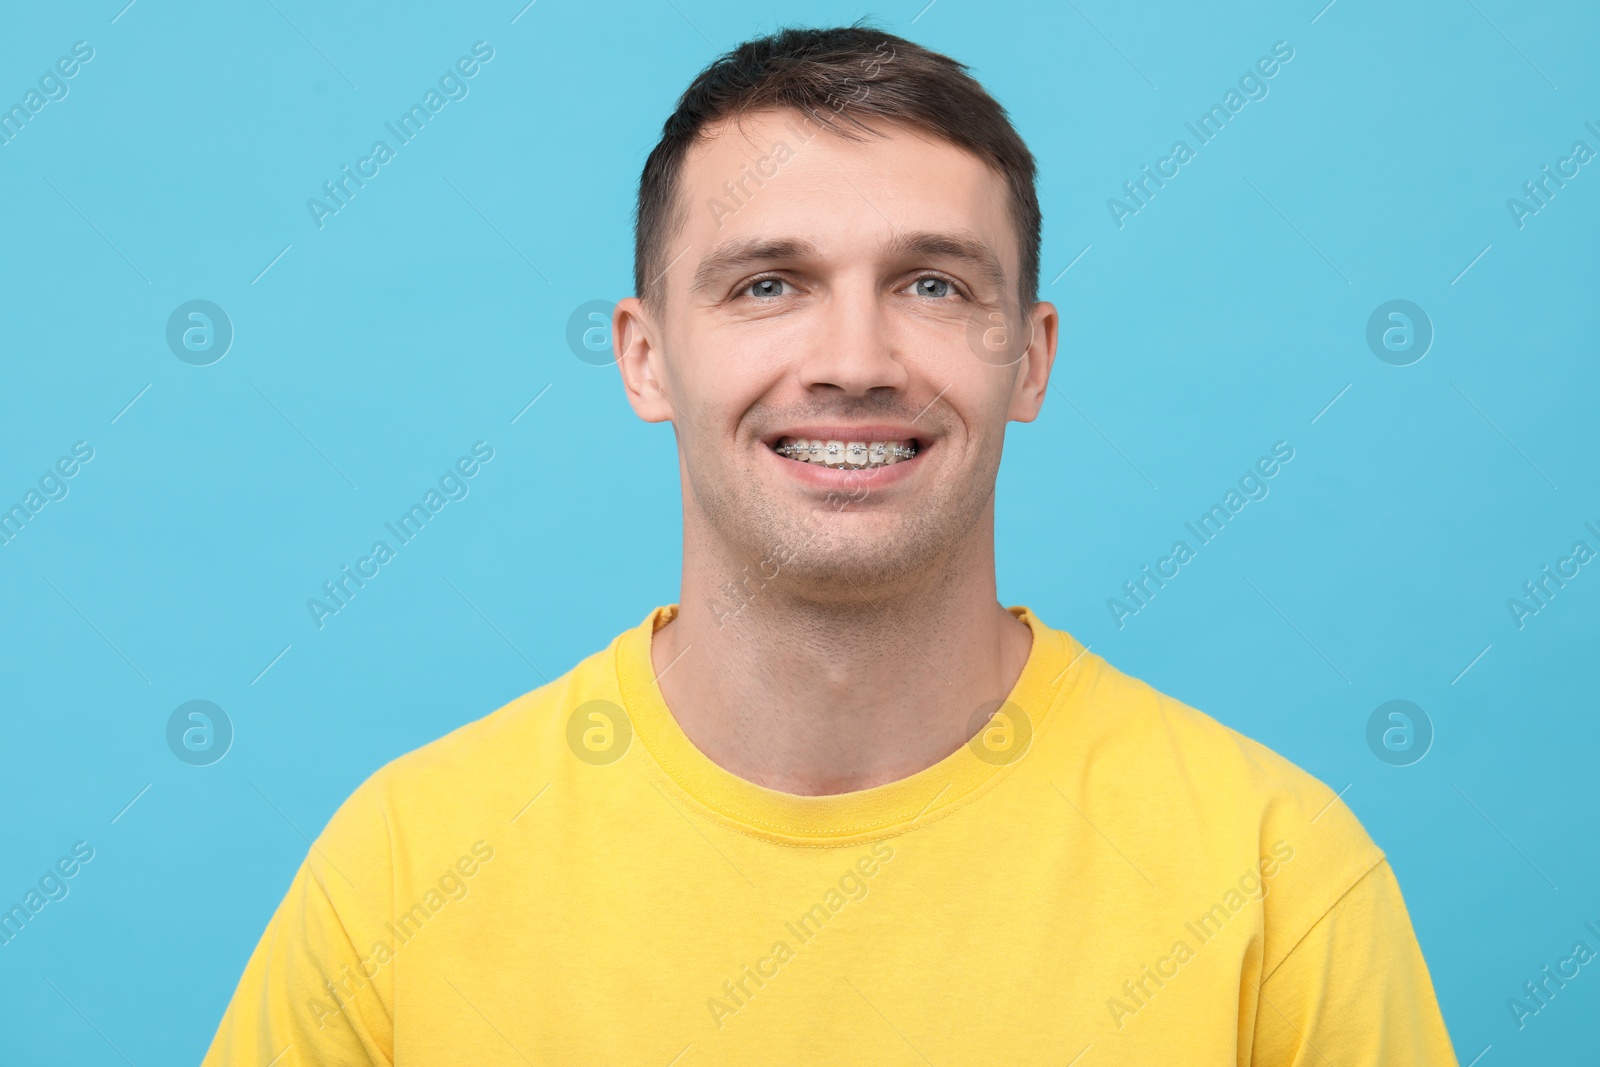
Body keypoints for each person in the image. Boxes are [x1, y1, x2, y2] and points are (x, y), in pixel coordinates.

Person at [203, 24, 1458, 1064]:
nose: (854, 362)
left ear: (1029, 356)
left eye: (933, 285)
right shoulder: (403, 869)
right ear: (644, 356)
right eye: (766, 284)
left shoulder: (1277, 873)